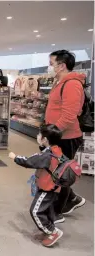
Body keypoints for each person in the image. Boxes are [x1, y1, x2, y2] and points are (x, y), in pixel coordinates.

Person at [45, 50, 86, 223]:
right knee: (56, 171)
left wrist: (52, 134)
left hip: (66, 137)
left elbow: (69, 115)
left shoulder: (72, 84)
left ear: (61, 65)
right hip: (58, 136)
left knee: (60, 175)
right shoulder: (60, 82)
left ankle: (57, 212)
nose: (50, 66)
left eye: (51, 63)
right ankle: (72, 199)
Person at [9, 124, 64, 247]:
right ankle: (47, 231)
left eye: (40, 134)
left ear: (45, 139)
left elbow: (30, 161)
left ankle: (52, 231)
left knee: (35, 210)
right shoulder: (56, 150)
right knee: (47, 210)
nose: (38, 136)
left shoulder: (47, 155)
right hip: (53, 187)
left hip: (47, 188)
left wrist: (15, 157)